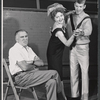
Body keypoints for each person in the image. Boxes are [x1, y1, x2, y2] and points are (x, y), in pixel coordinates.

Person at [8, 29, 68, 100]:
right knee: (54, 73)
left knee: (52, 82)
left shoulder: (28, 49)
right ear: (16, 39)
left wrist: (30, 62)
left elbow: (41, 63)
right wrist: (33, 63)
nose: (25, 39)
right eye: (22, 37)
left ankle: (56, 95)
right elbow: (24, 67)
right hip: (22, 77)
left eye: (26, 36)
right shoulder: (14, 49)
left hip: (33, 74)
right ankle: (61, 96)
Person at [46, 3, 78, 100]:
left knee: (58, 75)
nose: (60, 18)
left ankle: (60, 96)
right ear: (54, 19)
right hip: (54, 54)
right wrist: (74, 34)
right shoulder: (59, 31)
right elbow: (67, 44)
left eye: (61, 16)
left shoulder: (59, 23)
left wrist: (68, 13)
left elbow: (63, 17)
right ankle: (61, 97)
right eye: (57, 17)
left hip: (55, 52)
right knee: (57, 75)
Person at [66, 0, 92, 100]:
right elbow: (66, 27)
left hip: (83, 47)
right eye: (76, 6)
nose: (78, 8)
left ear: (84, 6)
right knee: (73, 72)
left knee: (84, 72)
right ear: (74, 5)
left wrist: (81, 32)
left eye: (80, 6)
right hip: (72, 47)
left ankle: (84, 97)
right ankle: (74, 95)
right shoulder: (70, 16)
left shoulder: (86, 18)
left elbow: (89, 31)